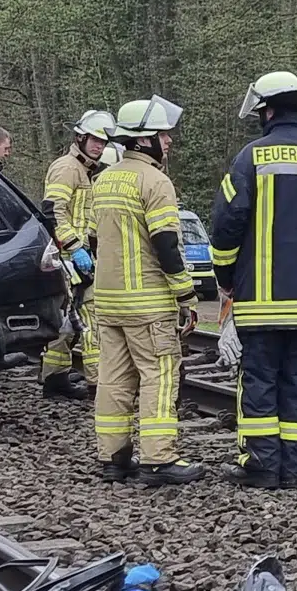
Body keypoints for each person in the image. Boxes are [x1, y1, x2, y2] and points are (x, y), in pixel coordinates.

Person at [211, 72, 297, 489]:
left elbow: (228, 224)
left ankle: (264, 466)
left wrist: (225, 277)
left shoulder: (251, 156)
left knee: (260, 382)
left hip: (261, 300)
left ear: (267, 109)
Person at [87, 97, 201, 486]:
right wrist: (186, 295)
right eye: (162, 135)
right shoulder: (155, 181)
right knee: (160, 375)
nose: (168, 141)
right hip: (148, 303)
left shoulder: (103, 180)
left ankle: (114, 459)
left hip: (108, 302)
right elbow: (166, 243)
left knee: (114, 379)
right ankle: (158, 459)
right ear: (142, 141)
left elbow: (92, 239)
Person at [39, 110, 114, 398]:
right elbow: (53, 211)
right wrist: (75, 248)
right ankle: (99, 383)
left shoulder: (85, 171)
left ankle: (54, 377)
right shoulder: (67, 168)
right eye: (95, 140)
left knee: (67, 321)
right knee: (92, 317)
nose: (99, 146)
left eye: (103, 142)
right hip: (69, 257)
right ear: (80, 138)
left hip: (75, 257)